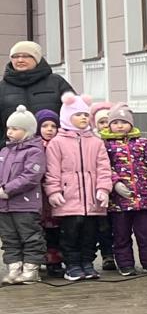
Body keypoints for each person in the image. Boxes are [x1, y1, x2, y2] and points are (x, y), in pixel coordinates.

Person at [44, 94, 113, 282]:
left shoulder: (96, 141)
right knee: (70, 234)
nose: (84, 118)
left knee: (90, 235)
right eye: (79, 114)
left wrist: (103, 189)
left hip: (92, 200)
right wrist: (54, 191)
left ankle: (87, 263)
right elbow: (52, 171)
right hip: (69, 199)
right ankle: (73, 265)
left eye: (85, 114)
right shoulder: (57, 142)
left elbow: (104, 168)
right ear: (67, 116)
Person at [100, 103, 147, 276]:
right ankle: (125, 264)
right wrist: (115, 183)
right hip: (119, 202)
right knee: (121, 235)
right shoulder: (105, 145)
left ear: (131, 123)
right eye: (115, 122)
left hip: (144, 200)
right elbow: (104, 167)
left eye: (123, 122)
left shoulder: (142, 143)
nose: (119, 126)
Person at [0, 107, 48, 284]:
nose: (10, 132)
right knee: (9, 238)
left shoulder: (34, 151)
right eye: (9, 128)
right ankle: (14, 268)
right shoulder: (4, 152)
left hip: (25, 204)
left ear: (27, 131)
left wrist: (7, 189)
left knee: (30, 236)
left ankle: (31, 269)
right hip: (4, 206)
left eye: (15, 128)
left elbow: (30, 176)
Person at [2, 40, 74, 129]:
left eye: (26, 56)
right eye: (15, 56)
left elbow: (75, 111)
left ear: (37, 59)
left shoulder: (56, 82)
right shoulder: (2, 87)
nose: (20, 60)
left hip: (52, 142)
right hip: (12, 142)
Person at [36, 111, 63, 280]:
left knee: (56, 230)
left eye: (53, 126)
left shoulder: (60, 144)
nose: (49, 129)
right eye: (45, 126)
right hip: (39, 195)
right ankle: (39, 259)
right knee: (40, 229)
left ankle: (55, 261)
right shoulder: (34, 146)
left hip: (57, 192)